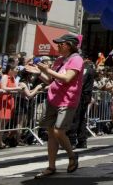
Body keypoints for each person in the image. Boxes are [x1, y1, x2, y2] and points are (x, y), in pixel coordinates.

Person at [33, 34, 84, 178]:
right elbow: (51, 80)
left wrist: (47, 70)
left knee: (58, 131)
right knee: (51, 134)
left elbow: (67, 78)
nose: (57, 46)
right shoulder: (59, 60)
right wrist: (38, 72)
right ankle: (51, 167)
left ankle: (72, 155)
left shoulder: (76, 59)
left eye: (60, 44)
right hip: (53, 99)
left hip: (67, 100)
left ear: (68, 45)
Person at [70, 56, 95, 148]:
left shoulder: (85, 68)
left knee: (76, 118)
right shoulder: (90, 68)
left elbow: (81, 82)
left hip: (81, 95)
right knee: (81, 118)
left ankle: (72, 141)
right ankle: (82, 140)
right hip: (86, 95)